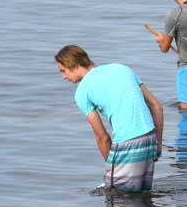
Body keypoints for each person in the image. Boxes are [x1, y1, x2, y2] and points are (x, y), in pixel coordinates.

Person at [57, 45, 164, 193]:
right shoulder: (122, 69)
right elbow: (157, 107)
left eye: (63, 71)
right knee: (142, 198)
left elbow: (102, 137)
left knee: (117, 199)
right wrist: (158, 145)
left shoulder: (82, 91)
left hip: (127, 142)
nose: (64, 76)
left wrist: (113, 166)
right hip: (150, 137)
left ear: (74, 66)